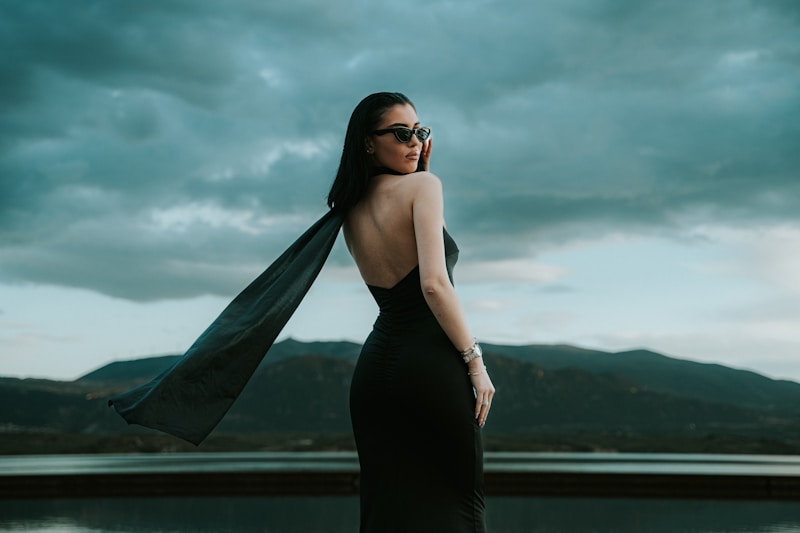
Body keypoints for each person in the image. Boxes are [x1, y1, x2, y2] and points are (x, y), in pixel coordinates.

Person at [328, 92, 495, 532]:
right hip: (431, 367)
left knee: (387, 512)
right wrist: (474, 362)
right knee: (460, 507)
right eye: (402, 133)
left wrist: (415, 168)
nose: (416, 141)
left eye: (420, 132)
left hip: (375, 375)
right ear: (368, 142)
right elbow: (433, 284)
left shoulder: (349, 208)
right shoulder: (425, 187)